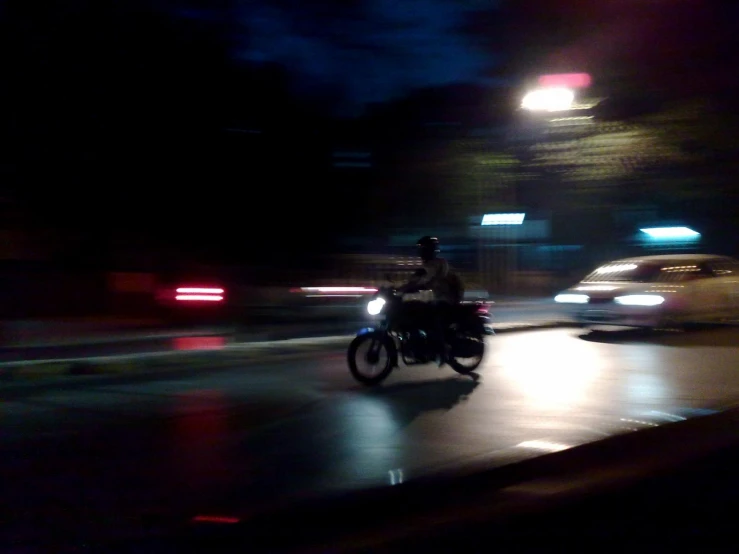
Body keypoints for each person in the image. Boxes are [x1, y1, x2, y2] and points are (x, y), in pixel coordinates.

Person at [397, 236, 462, 365]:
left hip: (450, 298)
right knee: (416, 311)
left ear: (430, 250)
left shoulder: (439, 263)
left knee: (432, 317)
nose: (420, 252)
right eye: (419, 249)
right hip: (439, 298)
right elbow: (415, 280)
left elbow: (424, 279)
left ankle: (442, 349)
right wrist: (397, 288)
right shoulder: (427, 265)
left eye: (422, 249)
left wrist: (410, 287)